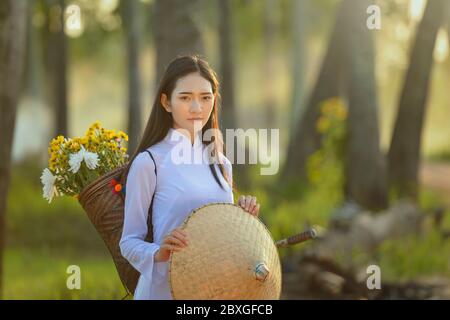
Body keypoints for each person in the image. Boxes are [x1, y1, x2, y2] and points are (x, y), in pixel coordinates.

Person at [119, 54, 260, 300]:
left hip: (214, 291)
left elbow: (221, 235)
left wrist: (242, 220)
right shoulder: (149, 162)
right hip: (165, 291)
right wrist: (159, 252)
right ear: (166, 102)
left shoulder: (221, 164)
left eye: (205, 98)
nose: (197, 108)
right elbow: (129, 242)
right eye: (185, 98)